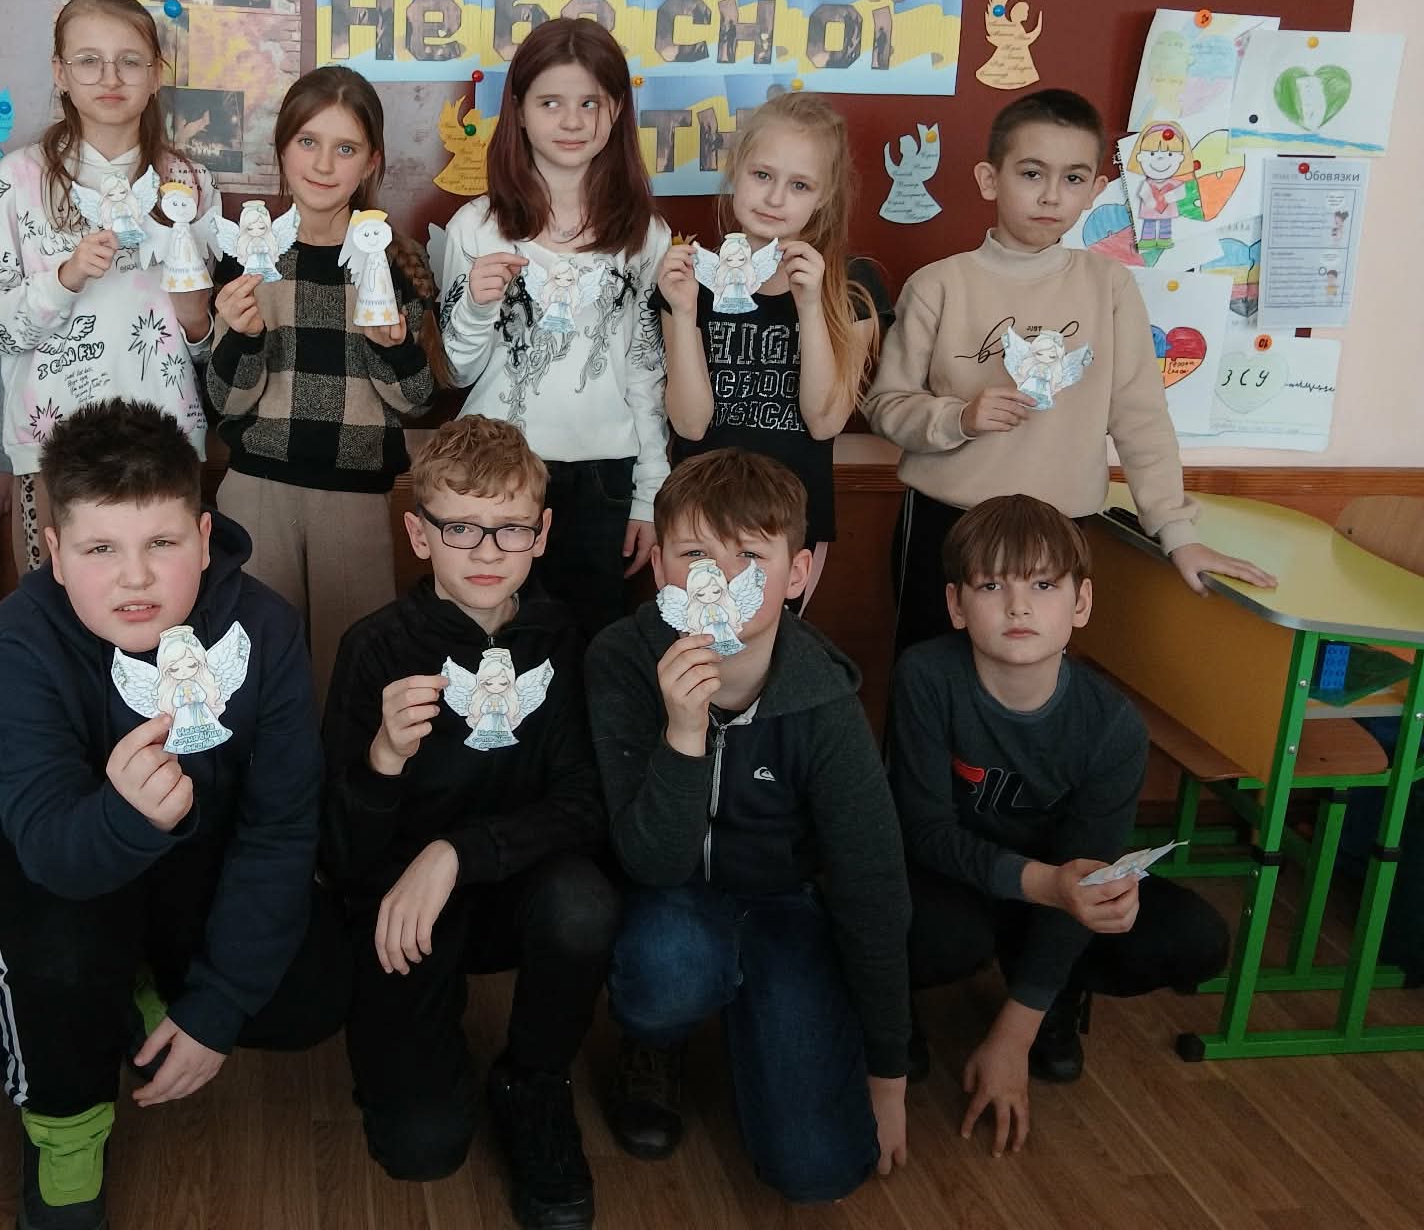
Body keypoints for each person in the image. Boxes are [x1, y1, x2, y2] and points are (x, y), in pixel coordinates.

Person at [0, 398, 346, 1229]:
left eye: (161, 544)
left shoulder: (266, 629)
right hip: (43, 880)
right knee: (64, 958)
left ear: (203, 539)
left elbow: (281, 827)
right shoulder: (6, 650)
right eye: (100, 548)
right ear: (55, 553)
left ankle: (151, 983)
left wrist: (217, 1007)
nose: (134, 578)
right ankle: (66, 1134)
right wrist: (126, 818)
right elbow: (49, 852)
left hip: (192, 865)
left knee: (308, 990)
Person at [589, 449, 912, 1204]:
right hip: (668, 897)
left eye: (752, 559)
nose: (721, 581)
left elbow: (872, 886)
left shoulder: (823, 699)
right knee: (671, 963)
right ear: (660, 570)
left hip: (780, 903)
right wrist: (683, 732)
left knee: (818, 1169)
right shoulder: (621, 660)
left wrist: (888, 1072)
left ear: (797, 574)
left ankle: (769, 1019)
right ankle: (656, 1041)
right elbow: (650, 861)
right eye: (696, 557)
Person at [323, 416, 615, 1229]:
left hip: (521, 891)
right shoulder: (374, 650)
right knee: (421, 1148)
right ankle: (417, 1048)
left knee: (584, 905)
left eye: (510, 528)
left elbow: (586, 805)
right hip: (406, 914)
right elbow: (340, 853)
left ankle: (535, 1080)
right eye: (460, 528)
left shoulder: (566, 642)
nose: (487, 551)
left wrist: (457, 851)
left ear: (541, 533)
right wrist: (383, 759)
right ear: (419, 535)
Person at [862, 88, 1274, 654]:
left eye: (1073, 178)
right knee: (927, 675)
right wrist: (960, 418)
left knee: (1031, 680)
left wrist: (1178, 534)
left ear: (1096, 190)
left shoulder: (1109, 287)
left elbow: (1140, 417)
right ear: (989, 179)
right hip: (946, 523)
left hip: (1058, 531)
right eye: (1031, 173)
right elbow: (885, 407)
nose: (1051, 195)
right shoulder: (939, 285)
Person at [889, 495, 1229, 1154]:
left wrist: (1011, 1037)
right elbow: (923, 830)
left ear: (1081, 603)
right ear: (957, 604)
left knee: (1193, 936)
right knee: (930, 928)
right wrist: (1046, 884)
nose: (1019, 607)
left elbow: (1088, 873)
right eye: (993, 586)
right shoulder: (926, 677)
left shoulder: (1112, 727)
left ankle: (1048, 990)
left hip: (1055, 890)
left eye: (1043, 585)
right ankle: (889, 1004)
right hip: (952, 881)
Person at [210, 67, 444, 704]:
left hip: (356, 497)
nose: (322, 164)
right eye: (308, 142)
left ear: (371, 162)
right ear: (281, 149)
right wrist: (243, 337)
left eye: (345, 148)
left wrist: (390, 346)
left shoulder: (393, 263)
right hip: (257, 489)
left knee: (349, 678)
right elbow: (225, 400)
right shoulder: (246, 257)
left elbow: (416, 399)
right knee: (254, 676)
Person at [0, 0, 219, 579]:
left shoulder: (188, 182)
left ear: (156, 75)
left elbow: (206, 348)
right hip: (52, 445)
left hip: (166, 442)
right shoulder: (19, 178)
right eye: (88, 61)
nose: (110, 77)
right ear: (60, 72)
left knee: (159, 607)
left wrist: (197, 318)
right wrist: (66, 278)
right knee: (55, 613)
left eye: (130, 61)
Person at [437, 17, 670, 637]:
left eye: (590, 103)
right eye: (550, 103)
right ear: (517, 110)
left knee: (588, 642)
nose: (571, 121)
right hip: (493, 475)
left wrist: (650, 492)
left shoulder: (645, 236)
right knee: (491, 642)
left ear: (616, 111)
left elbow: (646, 372)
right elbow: (456, 371)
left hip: (604, 474)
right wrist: (476, 304)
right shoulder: (476, 228)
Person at [655, 91, 888, 609]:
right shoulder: (691, 277)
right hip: (699, 517)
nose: (776, 198)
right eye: (762, 175)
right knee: (701, 643)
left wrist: (809, 305)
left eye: (800, 185)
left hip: (789, 523)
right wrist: (686, 312)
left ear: (824, 196)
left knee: (772, 645)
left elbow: (824, 422)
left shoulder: (850, 286)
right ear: (735, 171)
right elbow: (690, 424)